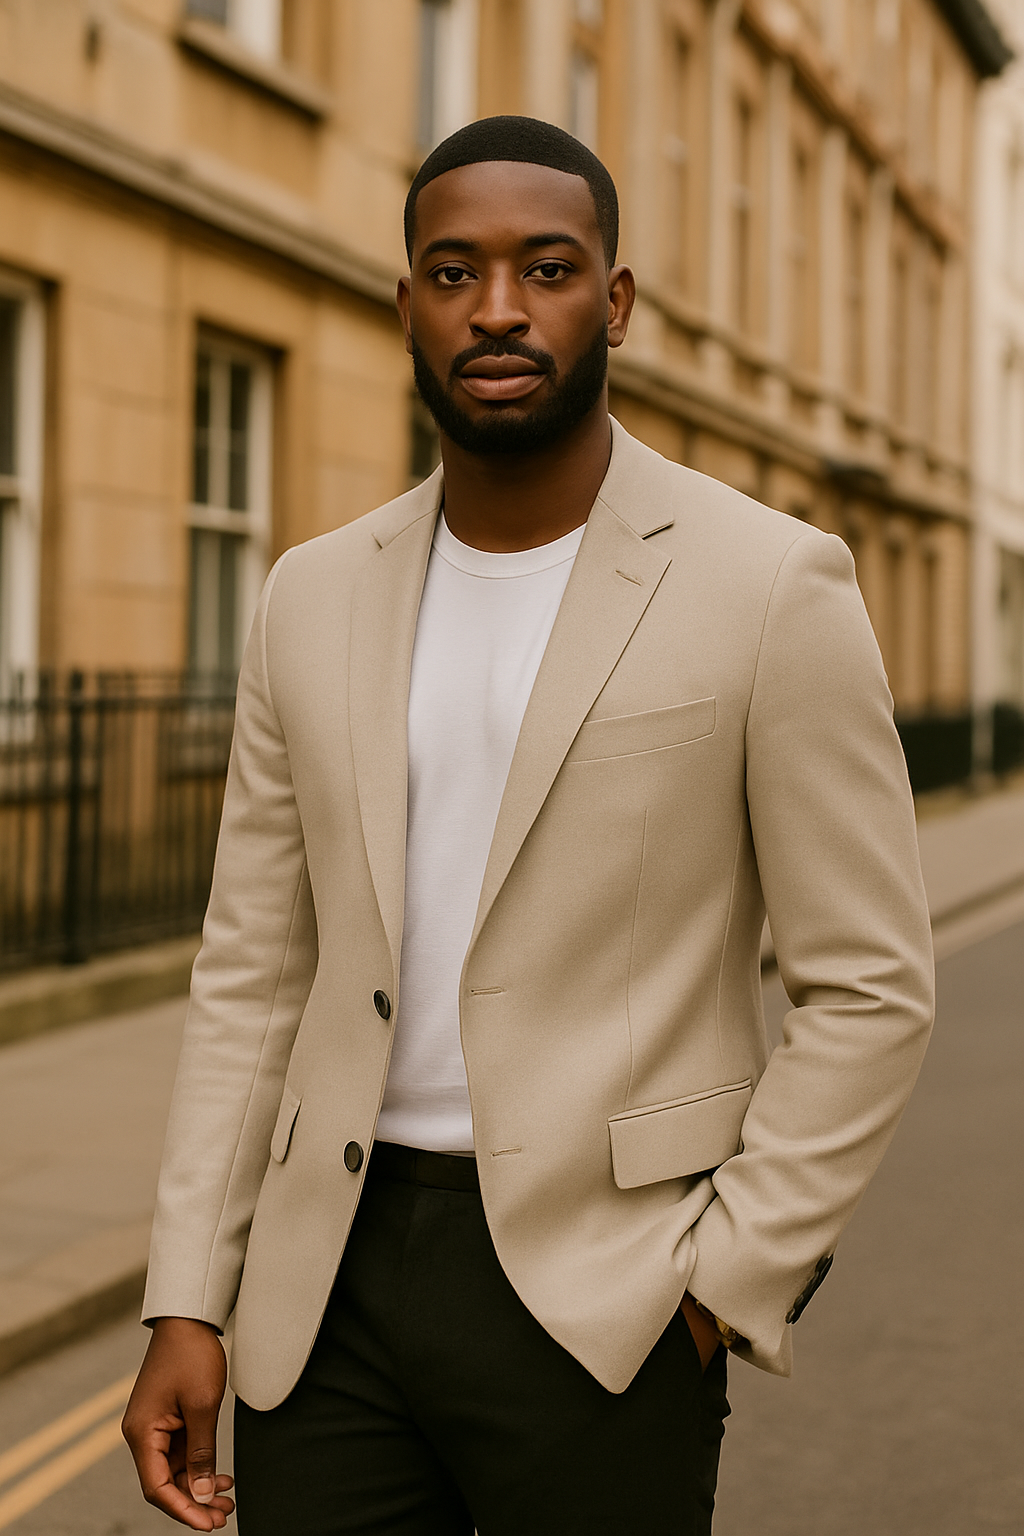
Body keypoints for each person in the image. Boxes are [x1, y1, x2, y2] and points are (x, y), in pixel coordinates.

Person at [123, 116, 934, 1535]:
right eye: (455, 273)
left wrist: (724, 1283)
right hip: (328, 1289)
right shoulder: (311, 594)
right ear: (408, 305)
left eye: (546, 270)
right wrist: (189, 1294)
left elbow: (871, 985)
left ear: (613, 302)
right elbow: (254, 970)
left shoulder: (770, 583)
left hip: (610, 1296)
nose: (497, 308)